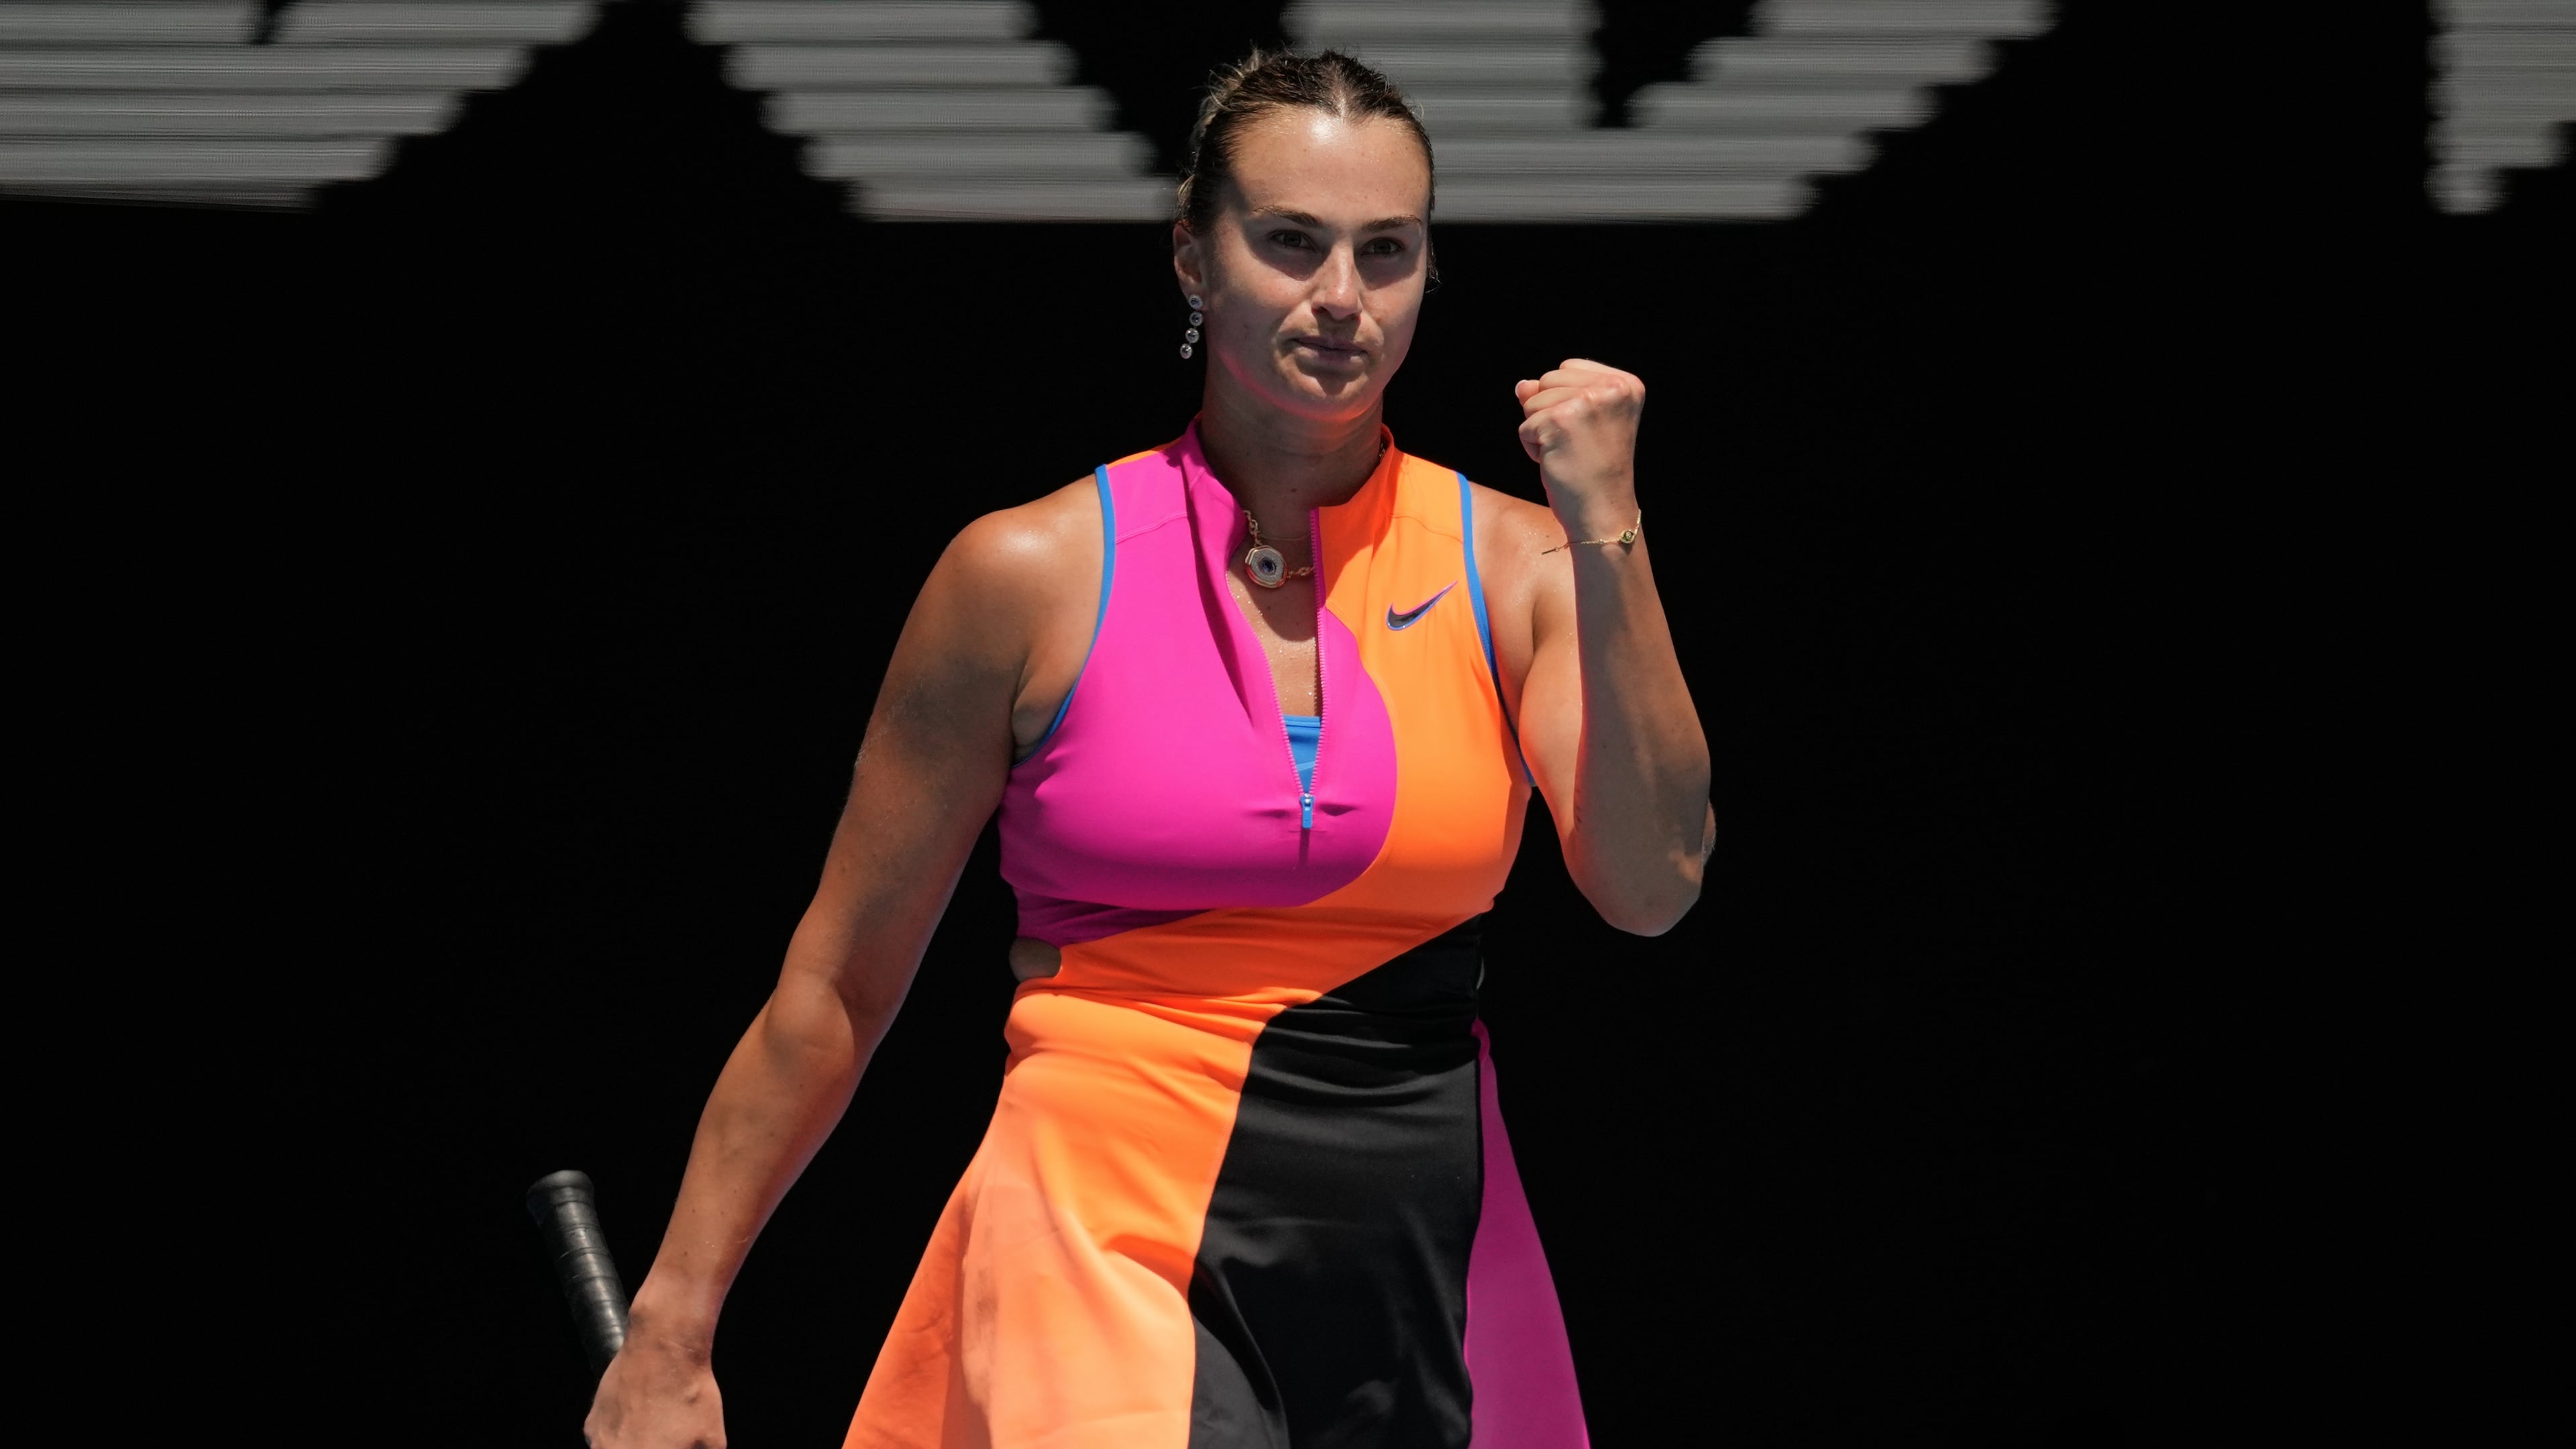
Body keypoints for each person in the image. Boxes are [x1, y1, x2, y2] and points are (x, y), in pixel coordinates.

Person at [585, 49, 1712, 1449]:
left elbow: (1653, 885)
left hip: (1429, 1248)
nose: (1343, 298)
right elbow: (835, 987)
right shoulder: (1026, 573)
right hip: (1095, 1223)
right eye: (1291, 243)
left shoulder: (1526, 564)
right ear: (1194, 255)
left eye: (1388, 252)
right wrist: (673, 1326)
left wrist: (1610, 525)